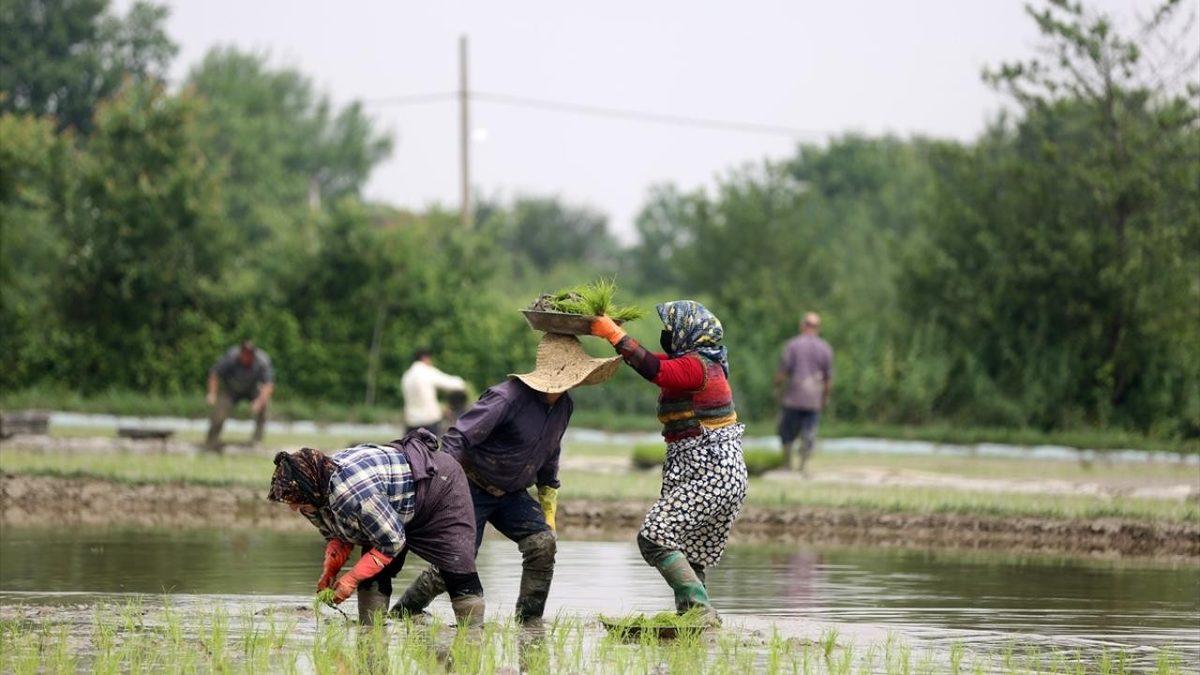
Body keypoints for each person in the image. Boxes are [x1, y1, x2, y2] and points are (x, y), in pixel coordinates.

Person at [394, 333, 620, 624]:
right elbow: (457, 437)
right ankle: (404, 613)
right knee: (456, 562)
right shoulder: (506, 398)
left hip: (512, 493)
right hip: (470, 486)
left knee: (543, 544)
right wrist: (442, 486)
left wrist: (548, 497)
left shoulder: (564, 406)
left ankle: (529, 622)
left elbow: (551, 450)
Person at [591, 301, 748, 626]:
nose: (667, 335)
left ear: (688, 334)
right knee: (690, 552)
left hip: (711, 474)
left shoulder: (698, 368)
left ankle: (699, 612)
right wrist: (615, 338)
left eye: (672, 329)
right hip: (718, 474)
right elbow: (646, 360)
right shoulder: (700, 365)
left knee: (655, 537)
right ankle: (691, 622)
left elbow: (654, 369)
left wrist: (613, 333)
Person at [267, 430, 486, 627]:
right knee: (371, 567)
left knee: (456, 564)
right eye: (290, 501)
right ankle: (371, 634)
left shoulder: (352, 495)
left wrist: (350, 580)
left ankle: (474, 634)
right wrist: (330, 572)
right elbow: (338, 536)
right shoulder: (311, 496)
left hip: (439, 486)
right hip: (393, 500)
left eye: (296, 501)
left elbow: (392, 542)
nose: (294, 508)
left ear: (311, 489)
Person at [774, 312, 834, 474]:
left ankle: (787, 463)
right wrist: (825, 397)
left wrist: (777, 386)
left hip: (794, 395)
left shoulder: (792, 345)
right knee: (809, 430)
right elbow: (828, 378)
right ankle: (803, 464)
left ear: (802, 325)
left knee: (787, 430)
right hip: (814, 397)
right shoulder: (825, 348)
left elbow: (783, 371)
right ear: (818, 328)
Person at [206, 340, 275, 451]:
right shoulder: (230, 358)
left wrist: (259, 401)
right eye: (244, 354)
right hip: (232, 389)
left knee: (265, 403)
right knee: (220, 410)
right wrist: (212, 394)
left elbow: (268, 384)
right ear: (241, 353)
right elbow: (214, 374)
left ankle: (256, 441)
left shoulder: (262, 360)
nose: (246, 358)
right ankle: (211, 441)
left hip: (253, 389)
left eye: (249, 355)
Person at [401, 349, 468, 435]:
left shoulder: (406, 375)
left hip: (411, 422)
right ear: (425, 358)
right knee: (430, 448)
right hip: (428, 423)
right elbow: (453, 383)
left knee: (411, 448)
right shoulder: (427, 371)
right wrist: (463, 383)